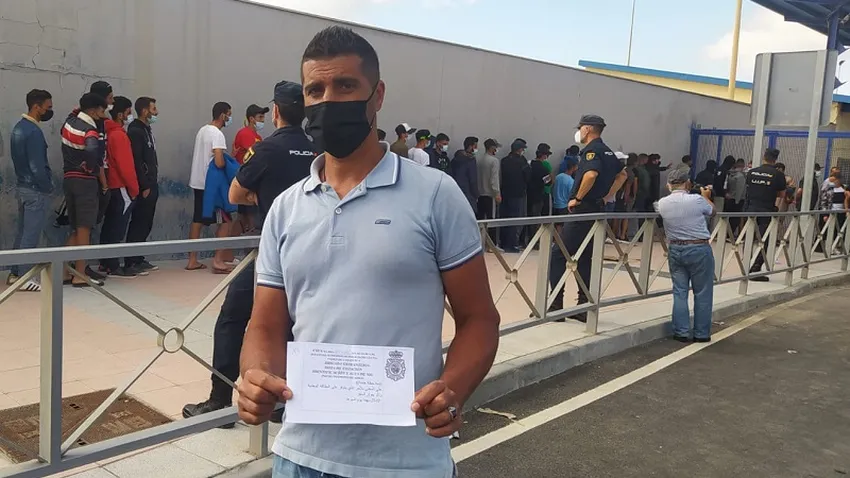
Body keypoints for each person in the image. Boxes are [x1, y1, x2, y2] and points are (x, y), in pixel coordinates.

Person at [236, 26, 500, 478]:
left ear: (377, 95)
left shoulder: (435, 194)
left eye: (345, 86)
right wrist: (255, 375)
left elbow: (479, 319)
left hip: (407, 464)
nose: (327, 101)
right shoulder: (286, 208)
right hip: (300, 458)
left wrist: (453, 391)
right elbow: (266, 324)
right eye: (315, 90)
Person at [183, 80, 314, 425]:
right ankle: (284, 402)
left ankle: (219, 401)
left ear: (276, 111)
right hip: (309, 254)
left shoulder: (266, 149)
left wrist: (260, 195)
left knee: (232, 320)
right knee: (295, 327)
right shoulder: (318, 150)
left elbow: (235, 194)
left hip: (268, 253)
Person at [548, 115, 626, 322]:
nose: (579, 132)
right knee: (584, 257)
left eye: (581, 128)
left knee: (558, 254)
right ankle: (583, 306)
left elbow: (591, 175)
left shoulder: (592, 151)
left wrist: (579, 198)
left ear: (588, 129)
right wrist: (607, 196)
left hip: (583, 210)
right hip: (598, 210)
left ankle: (555, 305)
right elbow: (622, 175)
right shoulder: (608, 152)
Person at [656, 168, 715, 343]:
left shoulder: (661, 203)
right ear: (687, 183)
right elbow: (713, 211)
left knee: (679, 291)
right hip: (698, 248)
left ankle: (681, 332)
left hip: (675, 248)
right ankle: (701, 333)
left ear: (668, 185)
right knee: (702, 292)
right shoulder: (697, 199)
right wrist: (706, 196)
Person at [8, 89, 54, 291]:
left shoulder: (19, 128)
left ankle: (16, 272)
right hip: (35, 189)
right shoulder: (33, 131)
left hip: (23, 186)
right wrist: (47, 186)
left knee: (22, 232)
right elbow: (37, 165)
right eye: (47, 107)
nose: (49, 111)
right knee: (31, 234)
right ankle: (25, 276)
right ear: (36, 107)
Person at [62, 93, 109, 287]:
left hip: (69, 179)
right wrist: (91, 168)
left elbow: (74, 113)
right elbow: (91, 151)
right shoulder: (90, 130)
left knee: (76, 228)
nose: (104, 114)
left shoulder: (69, 123)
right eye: (102, 110)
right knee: (84, 229)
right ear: (93, 111)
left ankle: (64, 270)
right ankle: (80, 274)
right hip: (85, 182)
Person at [98, 96, 144, 278]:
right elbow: (126, 166)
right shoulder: (119, 135)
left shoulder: (107, 132)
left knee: (109, 225)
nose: (130, 116)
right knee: (117, 228)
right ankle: (112, 264)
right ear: (120, 115)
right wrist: (134, 189)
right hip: (121, 186)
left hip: (111, 186)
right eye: (128, 112)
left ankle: (105, 262)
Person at [186, 102, 234, 273]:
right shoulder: (217, 134)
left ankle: (192, 260)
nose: (229, 118)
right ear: (222, 115)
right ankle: (218, 261)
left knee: (197, 221)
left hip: (197, 182)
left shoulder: (203, 130)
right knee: (226, 221)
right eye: (229, 115)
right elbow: (219, 162)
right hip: (211, 186)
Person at [124, 97, 160, 273]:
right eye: (153, 109)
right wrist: (144, 185)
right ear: (145, 111)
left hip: (151, 182)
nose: (156, 112)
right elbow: (136, 161)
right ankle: (131, 261)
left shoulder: (146, 129)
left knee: (146, 223)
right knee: (139, 222)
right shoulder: (135, 131)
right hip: (144, 185)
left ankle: (139, 257)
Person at [745, 148, 786, 282]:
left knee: (748, 238)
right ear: (775, 159)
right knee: (764, 240)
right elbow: (781, 194)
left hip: (750, 209)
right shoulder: (778, 175)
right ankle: (755, 269)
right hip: (766, 210)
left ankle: (745, 266)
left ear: (764, 156)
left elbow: (748, 189)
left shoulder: (752, 172)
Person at [500, 139, 530, 253]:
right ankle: (512, 244)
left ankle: (503, 242)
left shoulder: (504, 161)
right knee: (517, 219)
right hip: (519, 193)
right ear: (519, 149)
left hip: (505, 193)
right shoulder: (522, 161)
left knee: (506, 218)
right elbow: (528, 176)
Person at [524, 143, 552, 245]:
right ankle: (535, 242)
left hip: (528, 195)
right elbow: (548, 182)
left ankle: (525, 240)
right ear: (544, 155)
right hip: (538, 196)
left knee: (528, 217)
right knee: (536, 219)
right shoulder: (543, 169)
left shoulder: (528, 164)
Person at [450, 136, 479, 211]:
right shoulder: (471, 160)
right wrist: (476, 194)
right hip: (468, 194)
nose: (476, 148)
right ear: (470, 147)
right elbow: (473, 180)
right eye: (475, 146)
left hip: (456, 193)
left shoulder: (455, 159)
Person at [477, 138, 501, 222]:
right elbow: (494, 179)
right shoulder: (494, 161)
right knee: (491, 221)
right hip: (490, 195)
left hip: (480, 194)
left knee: (481, 220)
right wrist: (497, 194)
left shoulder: (479, 160)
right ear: (491, 148)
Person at [725, 158, 747, 237]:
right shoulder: (740, 176)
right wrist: (737, 201)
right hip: (738, 199)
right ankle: (730, 235)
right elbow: (740, 189)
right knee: (735, 219)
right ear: (743, 166)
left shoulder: (730, 174)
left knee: (729, 218)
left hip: (729, 197)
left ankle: (726, 234)